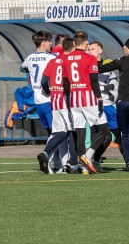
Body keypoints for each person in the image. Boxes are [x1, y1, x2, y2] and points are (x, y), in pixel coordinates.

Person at [62, 31, 110, 174]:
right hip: (88, 98)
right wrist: (99, 98)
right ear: (86, 43)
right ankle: (87, 156)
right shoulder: (90, 58)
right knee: (104, 130)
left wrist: (69, 99)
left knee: (80, 132)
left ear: (74, 43)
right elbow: (94, 81)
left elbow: (65, 83)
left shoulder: (66, 59)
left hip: (74, 99)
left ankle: (84, 168)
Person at [99, 38, 129, 172]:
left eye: (124, 48)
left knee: (124, 133)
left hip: (124, 101)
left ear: (127, 48)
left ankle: (128, 162)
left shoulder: (123, 61)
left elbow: (102, 67)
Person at [38, 37, 79, 174]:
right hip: (66, 99)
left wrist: (50, 92)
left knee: (60, 132)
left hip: (54, 100)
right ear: (72, 47)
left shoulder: (53, 61)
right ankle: (72, 163)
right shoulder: (69, 61)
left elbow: (44, 81)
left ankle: (45, 153)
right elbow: (67, 81)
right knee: (72, 131)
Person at [88, 41, 121, 162]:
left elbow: (114, 84)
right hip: (93, 106)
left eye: (92, 49)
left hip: (108, 105)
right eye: (89, 49)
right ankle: (93, 158)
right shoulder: (85, 65)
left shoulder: (108, 66)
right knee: (96, 133)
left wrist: (113, 96)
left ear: (100, 51)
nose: (89, 51)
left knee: (116, 133)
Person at [21, 31, 56, 137]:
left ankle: (52, 152)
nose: (51, 44)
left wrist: (31, 73)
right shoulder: (52, 58)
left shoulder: (29, 58)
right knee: (56, 130)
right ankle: (56, 152)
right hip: (49, 98)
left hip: (38, 100)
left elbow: (22, 68)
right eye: (49, 41)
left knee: (49, 131)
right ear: (44, 43)